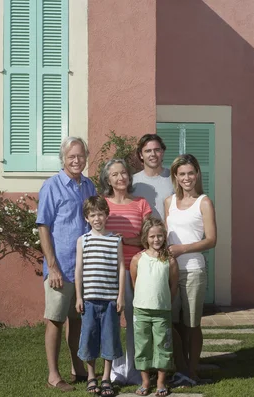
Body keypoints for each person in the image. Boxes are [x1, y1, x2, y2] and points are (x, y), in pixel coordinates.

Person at [37, 136, 95, 392]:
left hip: (82, 268)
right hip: (60, 268)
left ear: (86, 157)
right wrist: (53, 266)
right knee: (55, 320)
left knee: (77, 320)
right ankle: (53, 375)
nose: (76, 160)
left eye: (80, 156)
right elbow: (43, 227)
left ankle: (77, 368)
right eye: (71, 156)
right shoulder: (51, 186)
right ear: (63, 158)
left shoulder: (89, 186)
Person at [164, 154, 217, 384]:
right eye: (182, 174)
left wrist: (183, 249)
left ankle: (192, 371)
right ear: (175, 176)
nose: (187, 178)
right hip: (171, 270)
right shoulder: (168, 202)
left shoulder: (203, 202)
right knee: (173, 323)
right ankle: (180, 367)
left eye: (191, 173)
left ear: (197, 174)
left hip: (194, 270)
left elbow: (211, 240)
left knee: (192, 324)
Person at [99, 159, 152, 385]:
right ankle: (113, 372)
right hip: (108, 270)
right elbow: (96, 233)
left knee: (134, 322)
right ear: (107, 180)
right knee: (110, 322)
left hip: (136, 271)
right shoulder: (101, 204)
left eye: (123, 173)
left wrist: (123, 240)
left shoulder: (141, 203)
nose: (120, 178)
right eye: (114, 175)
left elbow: (148, 236)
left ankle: (133, 370)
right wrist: (122, 241)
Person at [75, 197, 125, 397]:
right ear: (87, 218)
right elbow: (79, 270)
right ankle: (90, 376)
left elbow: (121, 268)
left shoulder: (116, 240)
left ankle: (106, 377)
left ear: (107, 215)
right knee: (89, 338)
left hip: (110, 300)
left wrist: (120, 296)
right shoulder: (83, 240)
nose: (97, 218)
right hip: (89, 300)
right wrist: (79, 296)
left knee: (109, 338)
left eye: (100, 214)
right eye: (93, 215)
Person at [131, 217, 179, 397]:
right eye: (152, 236)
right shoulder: (138, 259)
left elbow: (173, 285)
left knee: (163, 346)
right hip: (141, 311)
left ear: (164, 237)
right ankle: (145, 381)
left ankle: (160, 382)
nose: (156, 240)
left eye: (159, 236)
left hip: (162, 312)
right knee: (142, 345)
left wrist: (166, 302)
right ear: (145, 237)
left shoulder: (170, 261)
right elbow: (134, 282)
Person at [132, 134, 173, 221]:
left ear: (162, 152)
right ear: (141, 155)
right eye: (148, 151)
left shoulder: (175, 179)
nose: (153, 154)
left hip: (171, 234)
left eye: (157, 150)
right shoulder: (132, 182)